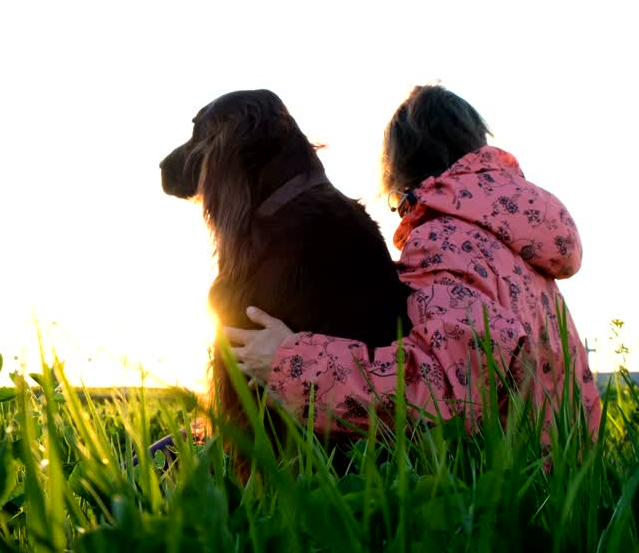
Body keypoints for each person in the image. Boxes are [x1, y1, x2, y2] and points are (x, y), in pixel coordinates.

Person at [226, 85, 601, 437]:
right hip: (561, 491)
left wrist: (288, 363)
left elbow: (440, 390)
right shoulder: (515, 246)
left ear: (401, 177)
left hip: (491, 497)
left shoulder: (446, 242)